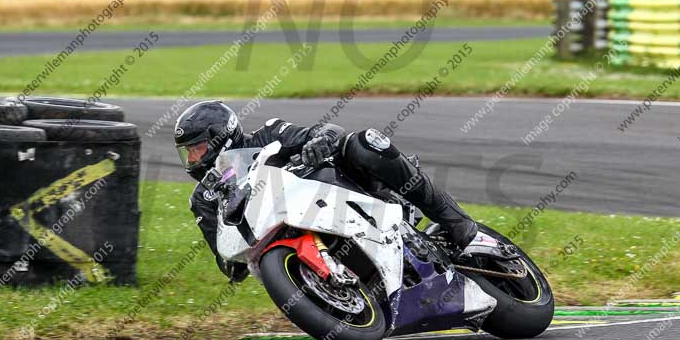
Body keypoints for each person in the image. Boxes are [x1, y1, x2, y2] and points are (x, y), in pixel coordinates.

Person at [174, 100, 480, 282]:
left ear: (220, 139)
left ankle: (454, 221)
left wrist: (319, 142)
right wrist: (229, 262)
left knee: (363, 142)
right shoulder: (203, 199)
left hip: (340, 194)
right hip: (283, 237)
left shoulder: (268, 134)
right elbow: (227, 262)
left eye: (197, 149)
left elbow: (326, 131)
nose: (192, 160)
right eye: (187, 153)